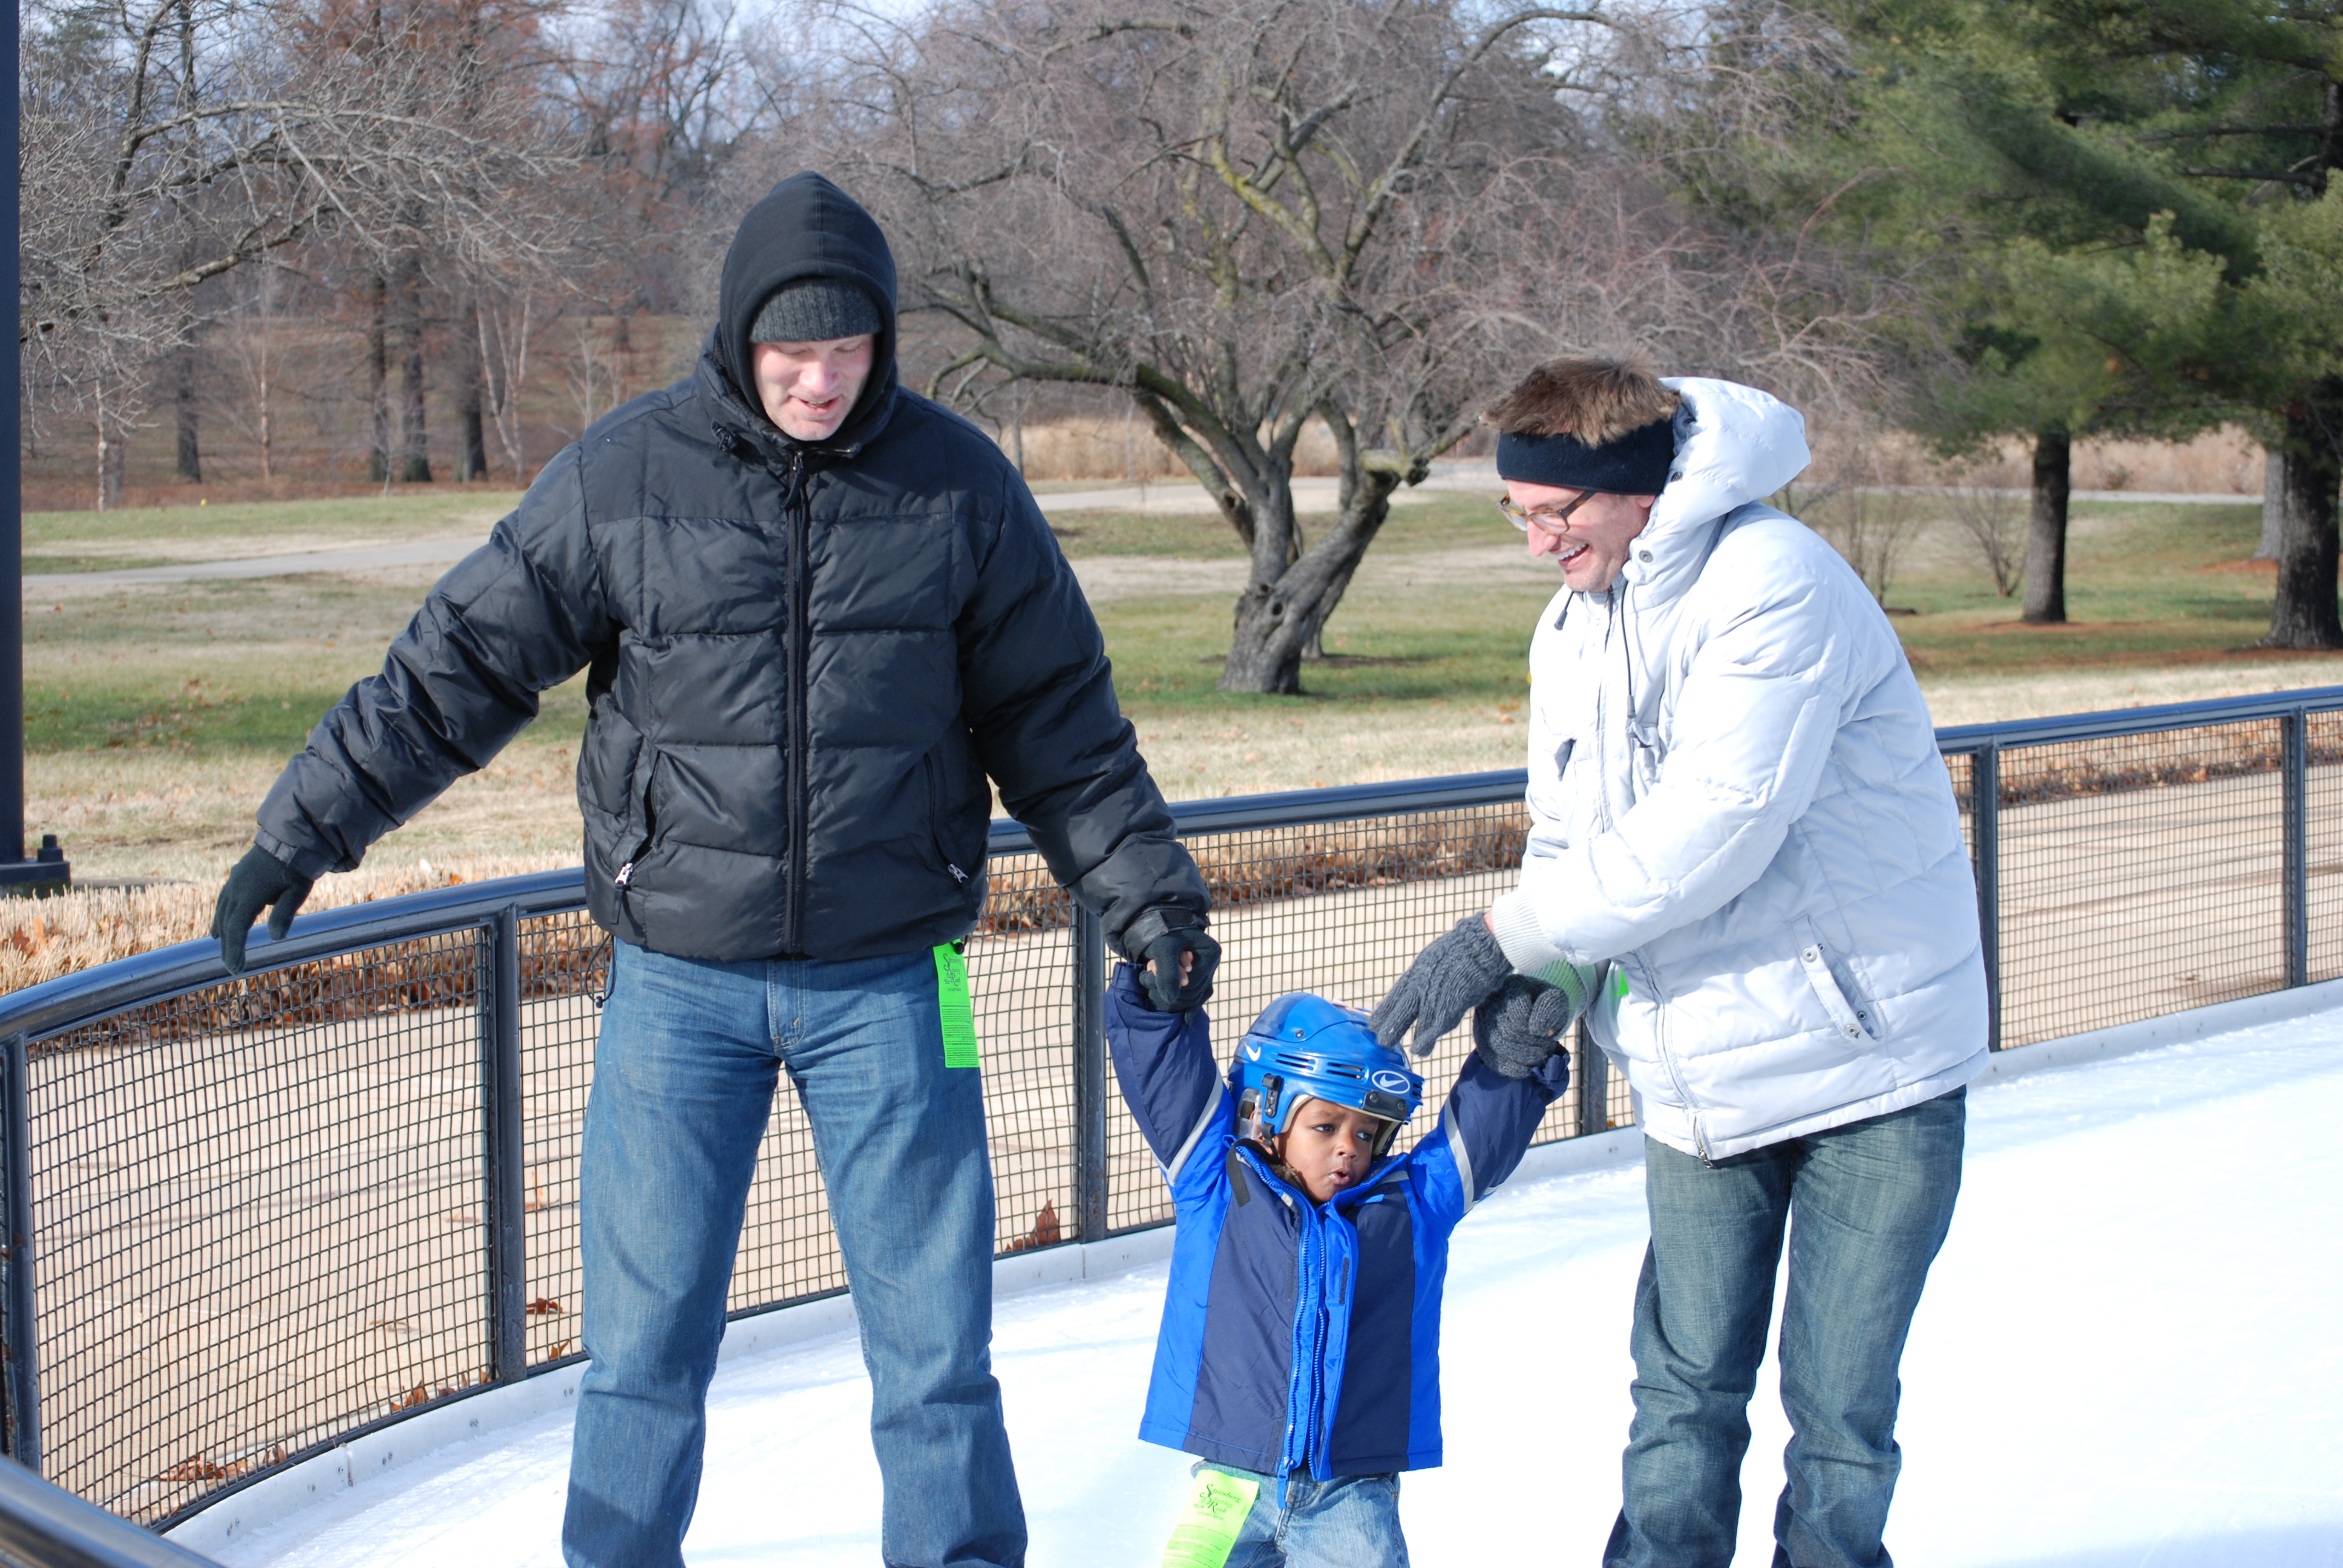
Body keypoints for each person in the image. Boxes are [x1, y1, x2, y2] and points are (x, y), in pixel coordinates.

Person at [207, 171, 1221, 1568]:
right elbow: (458, 666)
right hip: (676, 988)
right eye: (793, 349)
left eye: (849, 347)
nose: (821, 379)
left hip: (894, 981)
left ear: (883, 341)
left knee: (936, 1352)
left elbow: (1061, 721)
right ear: (742, 336)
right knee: (641, 1352)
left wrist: (1147, 897)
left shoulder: (958, 485)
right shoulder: (628, 477)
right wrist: (302, 827)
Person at [1370, 355, 1987, 1568]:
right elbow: (1570, 836)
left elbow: (1718, 826)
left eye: (1558, 512)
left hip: (1871, 1065)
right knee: (1681, 1391)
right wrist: (1554, 979)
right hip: (1700, 1065)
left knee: (1839, 1414)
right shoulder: (1572, 628)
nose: (1538, 542)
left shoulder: (1773, 580)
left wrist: (1500, 939)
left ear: (1640, 487)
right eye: (1517, 515)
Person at [1104, 963, 1589, 1566]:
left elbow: (1477, 1139)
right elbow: (1166, 1078)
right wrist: (1158, 991)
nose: (1347, 1148)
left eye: (1366, 1134)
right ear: (1266, 1112)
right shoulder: (1217, 1184)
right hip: (1229, 1483)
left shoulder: (1411, 1206)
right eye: (1325, 1125)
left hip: (1351, 1495)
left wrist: (1510, 1067)